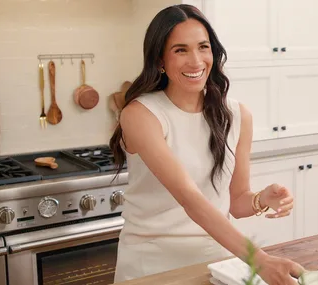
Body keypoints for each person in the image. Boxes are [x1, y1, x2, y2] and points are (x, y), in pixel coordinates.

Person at [109, 4, 305, 285]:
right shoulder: (141, 114)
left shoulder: (237, 114)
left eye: (203, 47)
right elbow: (191, 200)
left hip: (217, 265)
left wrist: (262, 199)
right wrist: (259, 260)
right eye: (180, 50)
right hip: (151, 267)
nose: (196, 60)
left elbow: (236, 203)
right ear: (160, 60)